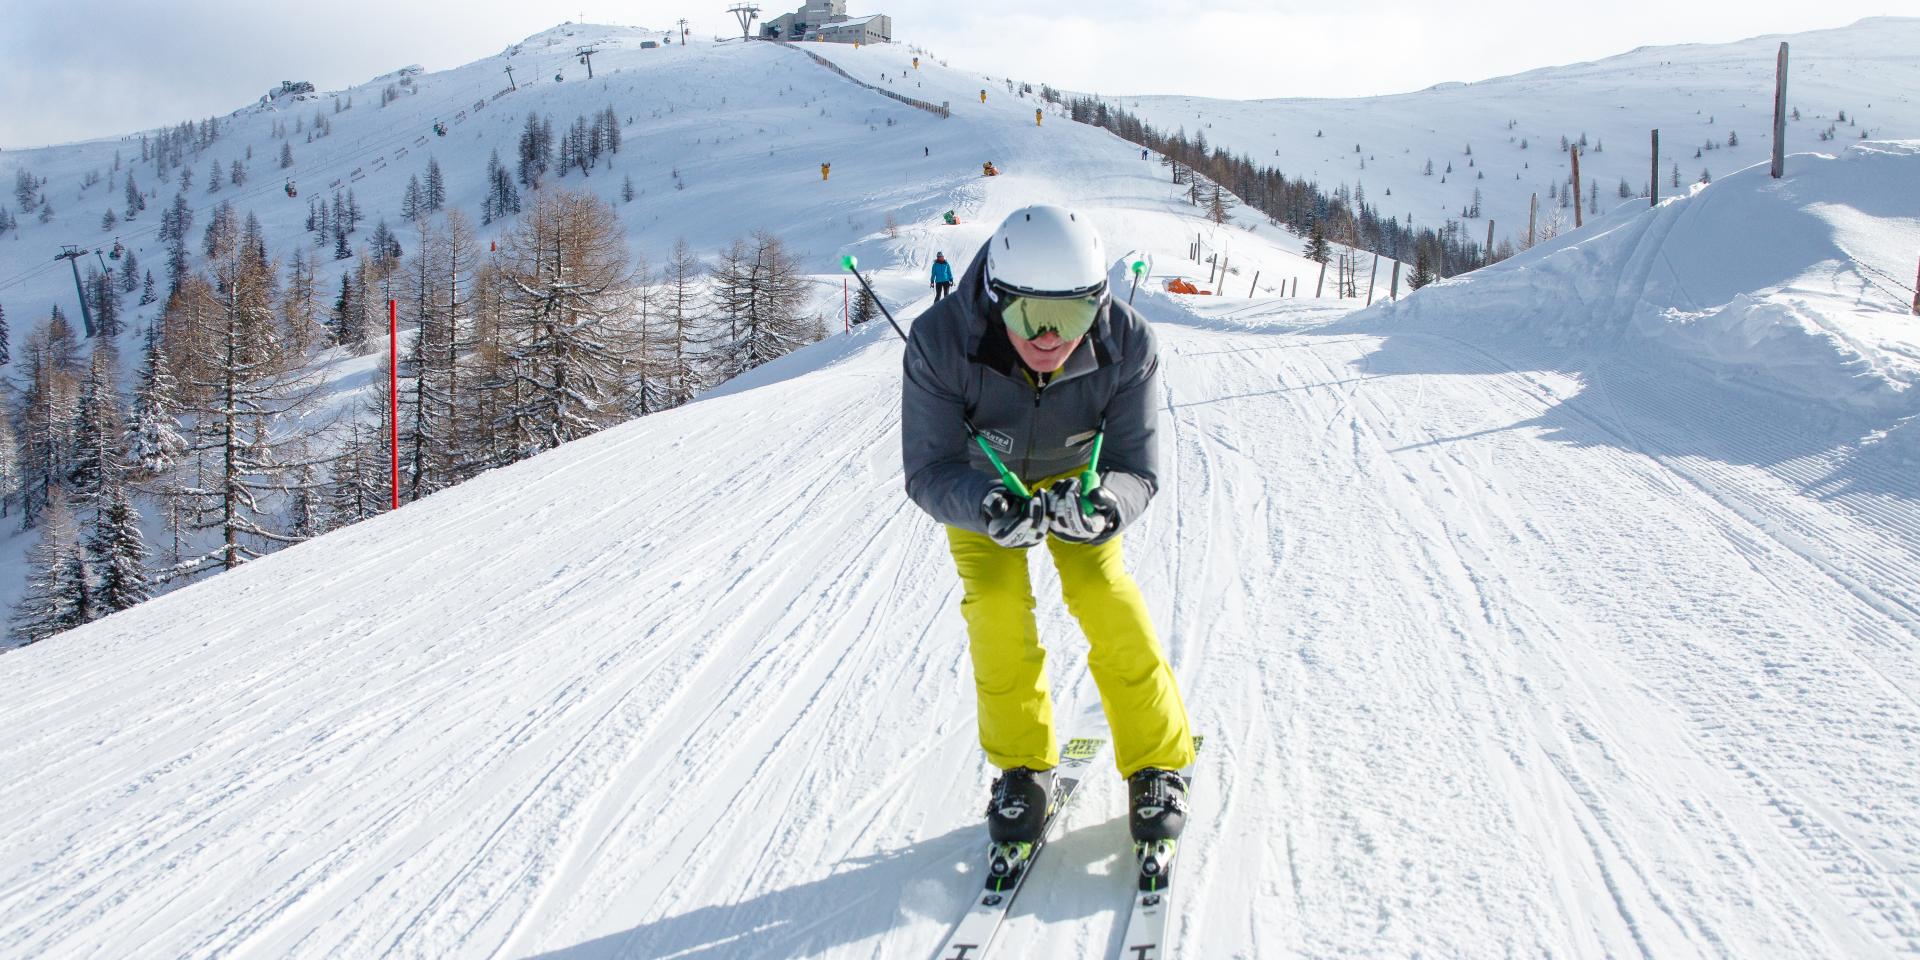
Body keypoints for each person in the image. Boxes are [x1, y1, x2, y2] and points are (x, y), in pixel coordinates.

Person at [901, 205, 1195, 864]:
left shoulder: (1128, 343)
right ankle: (1022, 770)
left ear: (1098, 302)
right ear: (994, 297)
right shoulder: (942, 340)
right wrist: (988, 505)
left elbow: (1137, 469)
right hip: (982, 485)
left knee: (1104, 595)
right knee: (998, 611)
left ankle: (1157, 763)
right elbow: (929, 469)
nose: (1048, 338)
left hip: (1077, 480)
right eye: (1030, 315)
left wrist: (1104, 508)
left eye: (1071, 317)